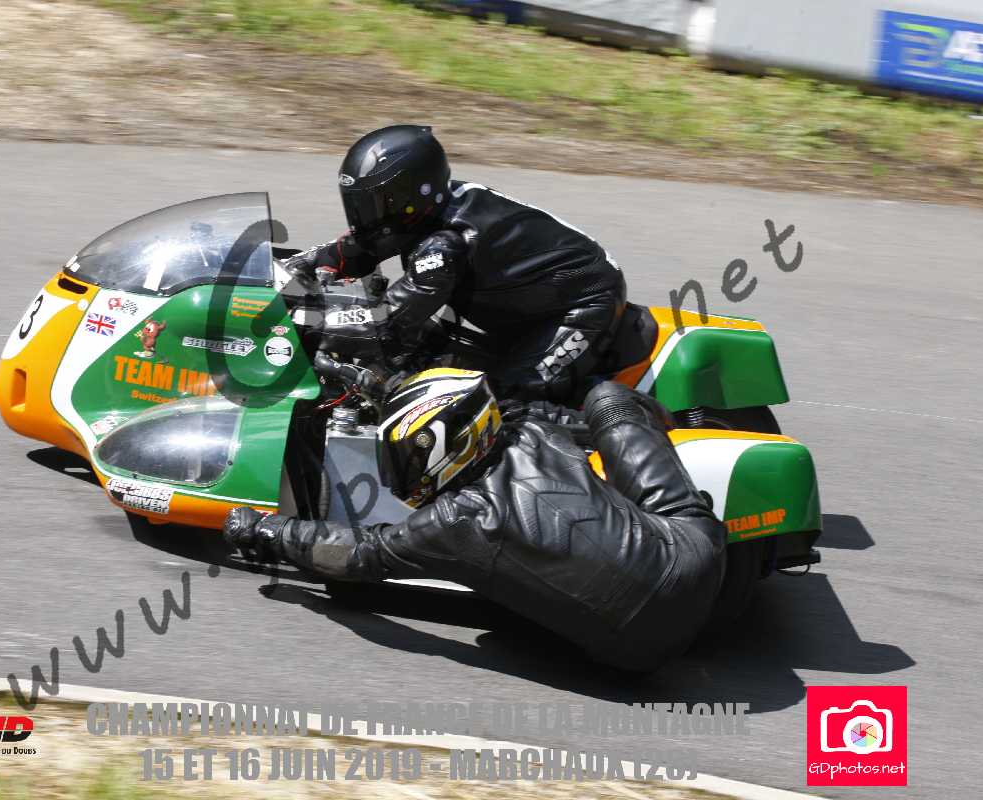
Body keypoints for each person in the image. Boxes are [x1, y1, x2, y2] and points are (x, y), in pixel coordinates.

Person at [224, 373, 726, 672]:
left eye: (408, 457)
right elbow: (567, 418)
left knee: (494, 621)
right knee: (609, 399)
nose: (401, 472)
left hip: (637, 653)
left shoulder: (452, 521)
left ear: (449, 448)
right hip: (697, 560)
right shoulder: (531, 432)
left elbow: (359, 554)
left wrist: (270, 531)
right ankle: (689, 430)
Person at [285, 124, 627, 403]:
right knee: (419, 357)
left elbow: (387, 323)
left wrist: (306, 321)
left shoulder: (446, 243)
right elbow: (351, 251)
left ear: (411, 195)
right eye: (360, 204)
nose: (366, 215)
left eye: (375, 203)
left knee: (500, 402)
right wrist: (290, 270)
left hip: (582, 305)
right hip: (526, 301)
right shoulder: (419, 215)